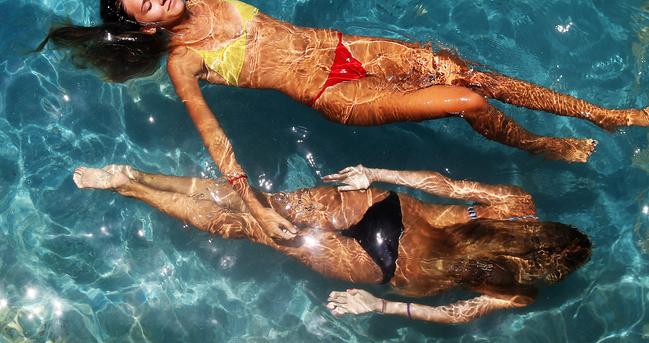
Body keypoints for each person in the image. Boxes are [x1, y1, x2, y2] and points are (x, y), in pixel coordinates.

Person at [39, 0, 648, 239]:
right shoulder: (183, 62)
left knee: (474, 74)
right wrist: (257, 208)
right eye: (149, 5)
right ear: (145, 30)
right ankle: (541, 145)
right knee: (464, 99)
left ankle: (603, 115)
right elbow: (214, 138)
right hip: (337, 92)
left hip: (348, 47)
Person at [72, 163, 591, 324]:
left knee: (260, 202)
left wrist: (375, 174)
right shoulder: (522, 293)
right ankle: (133, 189)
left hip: (387, 210)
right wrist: (381, 306)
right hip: (382, 266)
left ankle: (136, 175)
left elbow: (443, 186)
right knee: (246, 228)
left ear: (544, 229)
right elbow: (454, 315)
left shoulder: (516, 205)